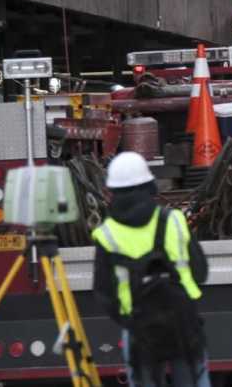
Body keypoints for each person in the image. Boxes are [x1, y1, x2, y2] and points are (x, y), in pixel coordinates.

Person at [91, 152, 209, 387]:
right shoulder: (174, 221)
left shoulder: (107, 234)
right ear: (150, 185)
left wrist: (127, 318)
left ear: (111, 192)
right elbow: (200, 271)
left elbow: (104, 292)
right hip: (182, 325)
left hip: (139, 328)